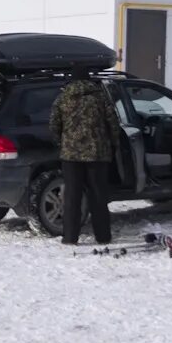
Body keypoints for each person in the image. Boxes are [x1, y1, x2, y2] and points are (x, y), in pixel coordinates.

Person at [49, 78, 115, 245]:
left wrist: (63, 143)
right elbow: (113, 123)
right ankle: (103, 236)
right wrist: (112, 142)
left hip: (71, 156)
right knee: (98, 196)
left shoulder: (62, 98)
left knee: (72, 197)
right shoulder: (100, 98)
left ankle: (70, 237)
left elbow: (54, 125)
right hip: (97, 154)